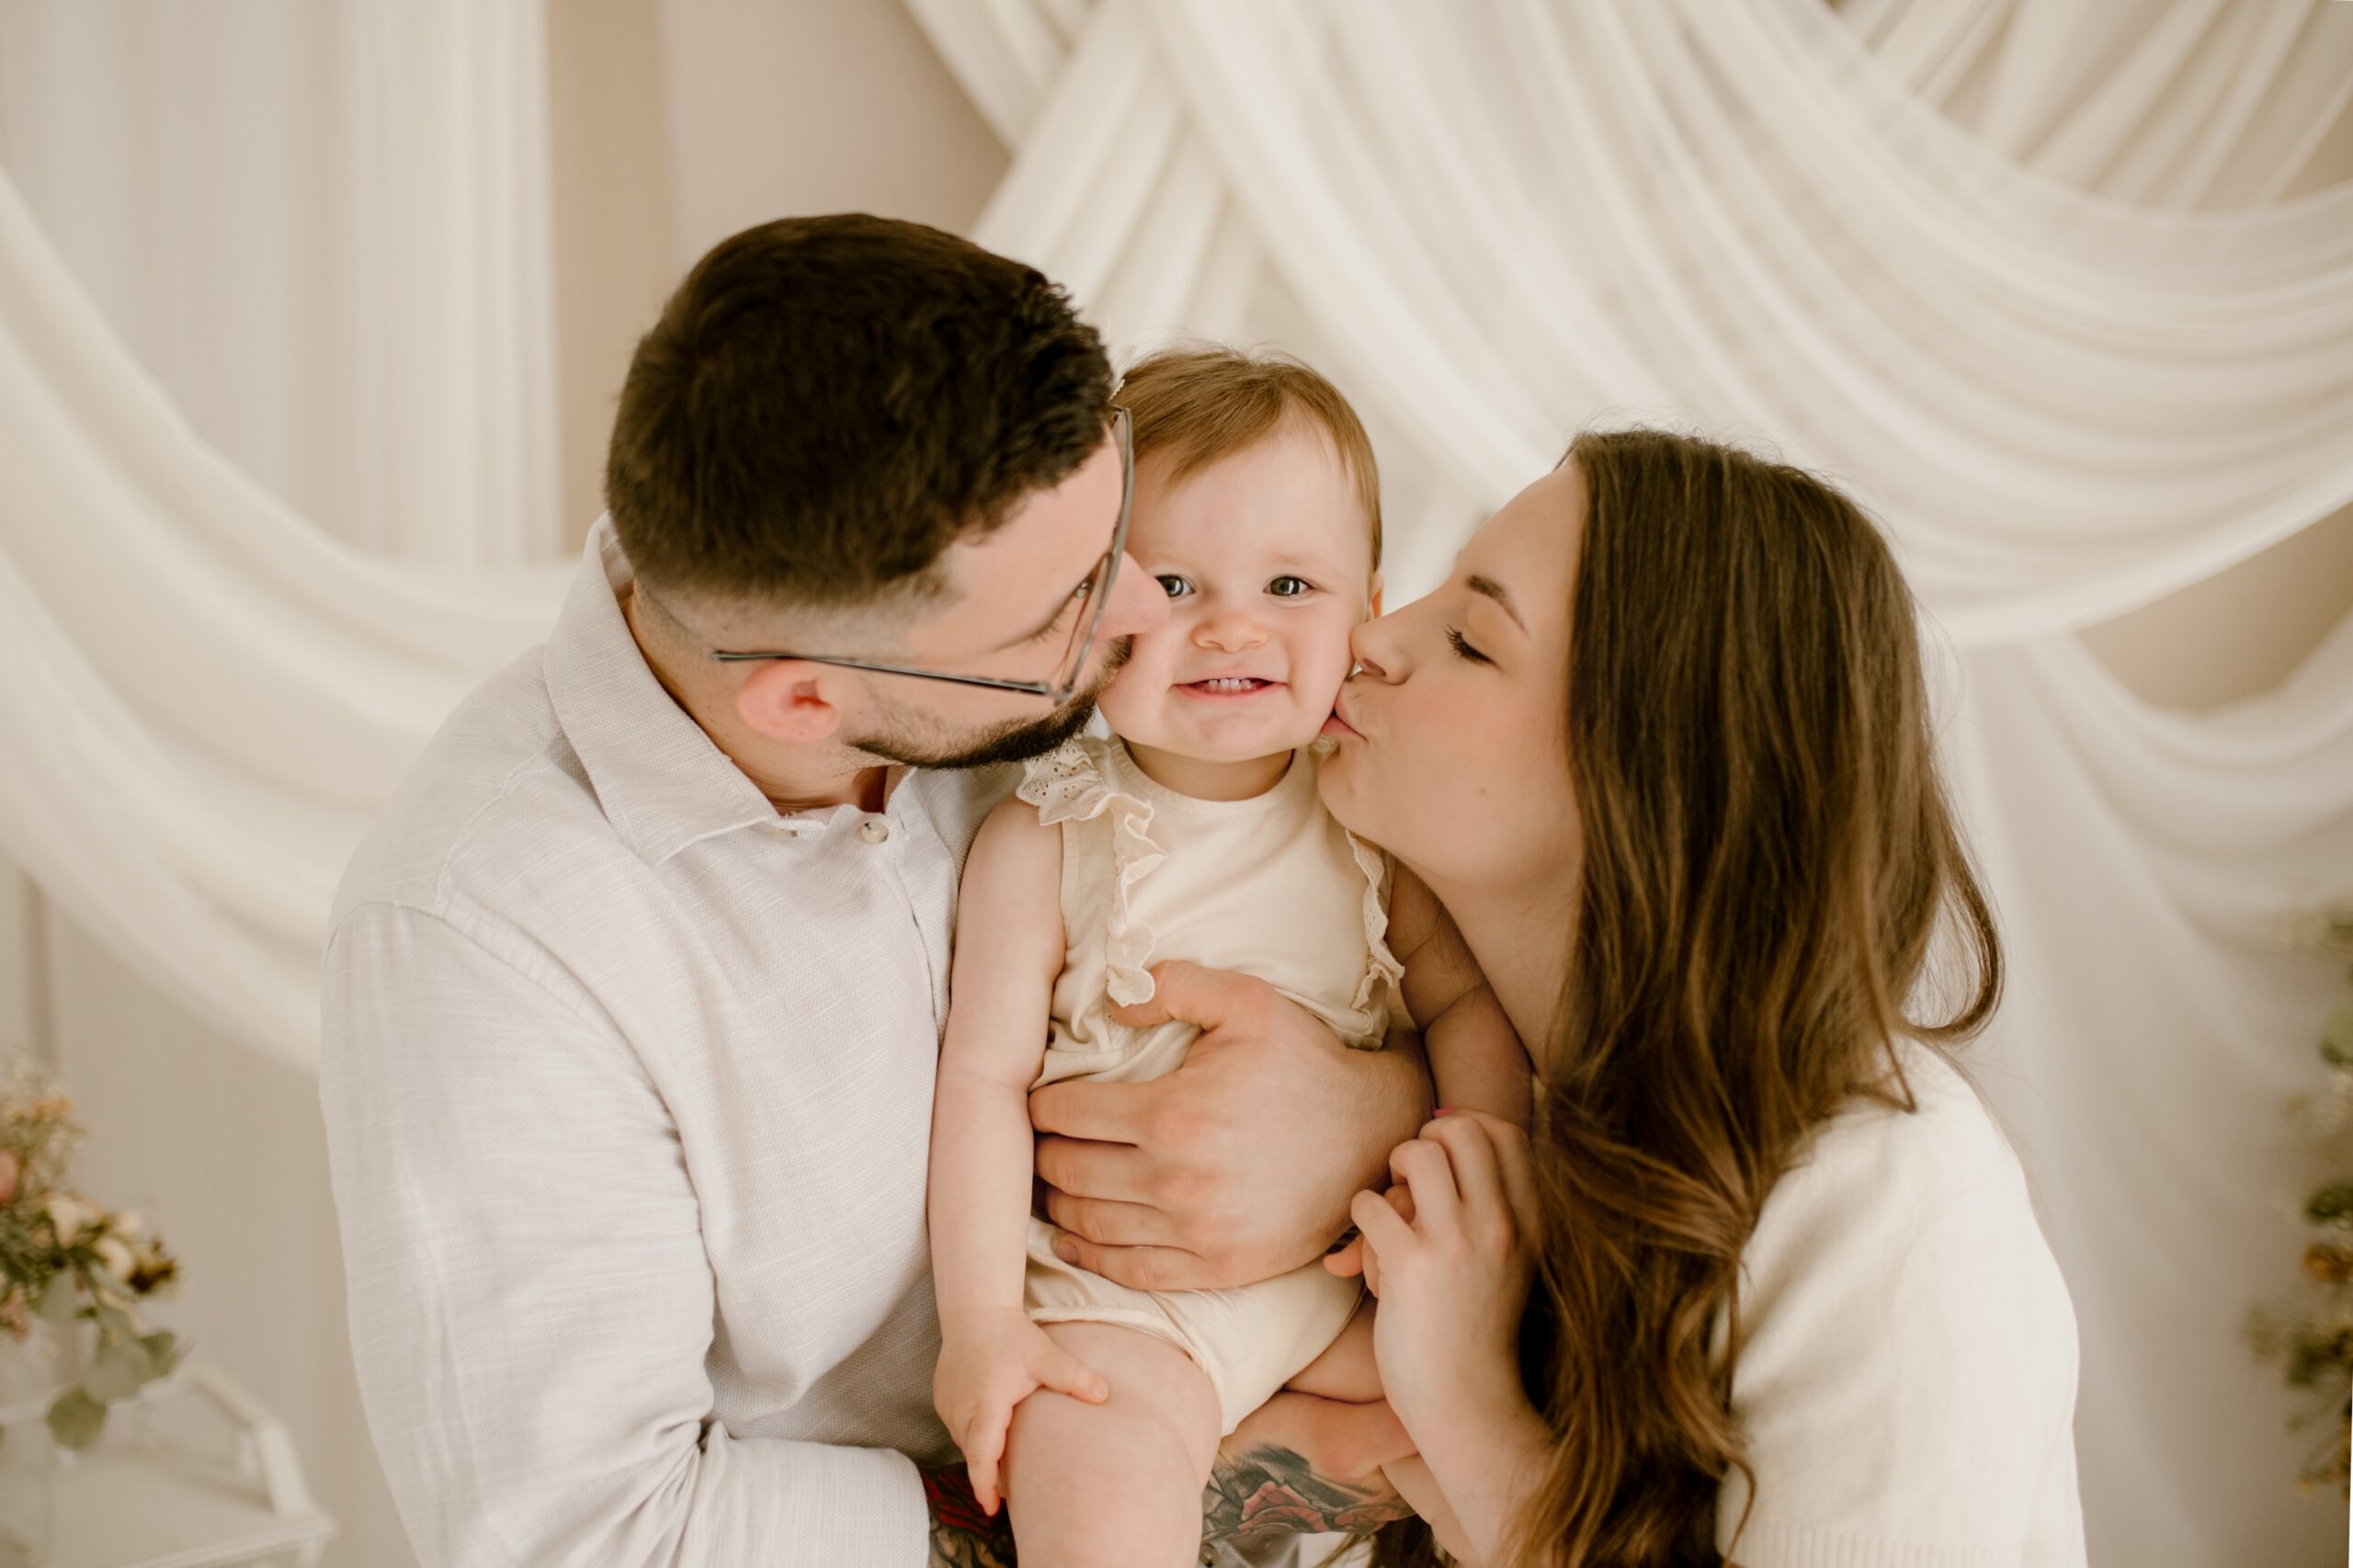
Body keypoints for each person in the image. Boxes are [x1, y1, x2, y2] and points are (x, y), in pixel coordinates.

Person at [316, 216, 1433, 1568]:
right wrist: (1222, 1481)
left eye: (1120, 529)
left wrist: (1373, 1108)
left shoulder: (976, 608)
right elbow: (594, 1540)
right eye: (1073, 605)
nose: (1154, 614)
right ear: (804, 703)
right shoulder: (488, 942)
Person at [1312, 428, 2088, 1566]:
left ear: (1652, 771)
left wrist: (1467, 1401)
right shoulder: (1434, 1086)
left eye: (1472, 639)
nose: (1369, 635)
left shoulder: (1891, 1196)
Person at [926, 347, 1529, 1567]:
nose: (1232, 626)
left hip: (1344, 1283)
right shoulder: (1047, 832)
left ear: (1367, 609)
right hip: (1128, 1305)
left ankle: (1324, 1449)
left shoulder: (1373, 820)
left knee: (1525, 1404)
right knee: (1094, 1482)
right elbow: (980, 1080)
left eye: (1290, 583)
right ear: (1091, 613)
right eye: (1174, 583)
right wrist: (982, 1321)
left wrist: (1471, 1180)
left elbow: (1467, 1006)